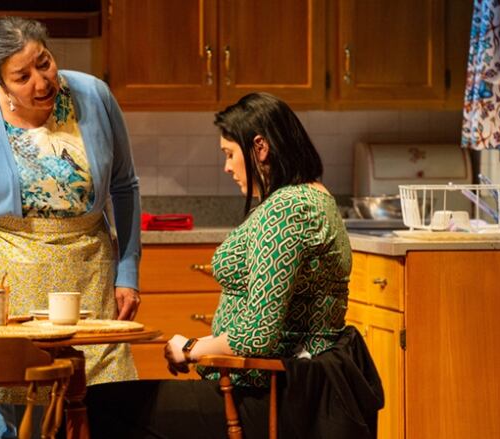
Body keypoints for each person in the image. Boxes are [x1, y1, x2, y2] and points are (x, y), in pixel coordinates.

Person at [85, 92, 383, 438]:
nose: (226, 167)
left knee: (93, 405)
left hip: (271, 395)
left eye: (229, 154)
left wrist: (190, 348)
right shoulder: (310, 197)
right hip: (276, 385)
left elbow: (256, 335)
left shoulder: (289, 209)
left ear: (260, 147)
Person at [0, 16, 141, 435]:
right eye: (22, 76)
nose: (41, 82)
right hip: (0, 277)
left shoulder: (94, 95)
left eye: (44, 63)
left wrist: (128, 271)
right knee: (12, 400)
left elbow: (124, 186)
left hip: (87, 273)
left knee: (101, 399)